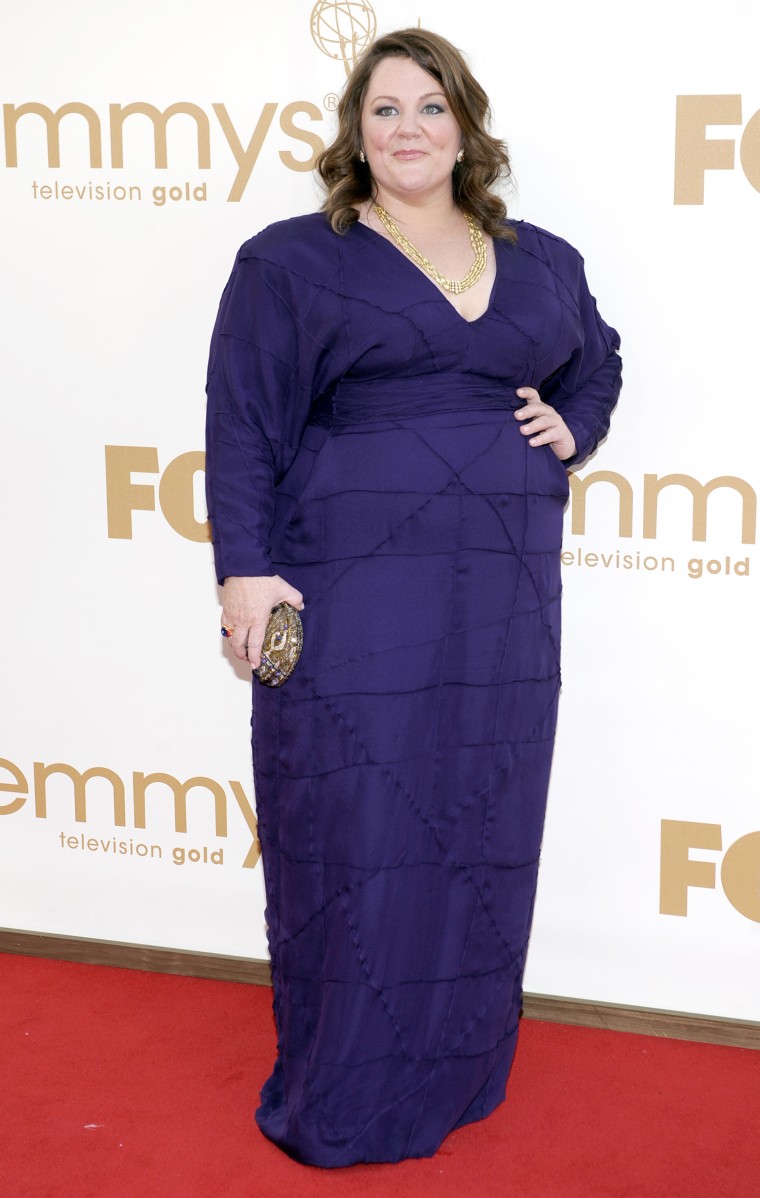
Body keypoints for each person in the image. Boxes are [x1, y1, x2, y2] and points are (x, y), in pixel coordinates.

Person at [205, 27, 621, 1168]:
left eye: (429, 107)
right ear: (354, 132)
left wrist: (574, 424)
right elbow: (242, 423)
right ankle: (343, 1082)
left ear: (465, 126)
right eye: (384, 109)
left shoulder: (540, 258)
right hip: (345, 580)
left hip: (502, 588)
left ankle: (458, 1064)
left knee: (479, 810)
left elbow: (598, 356)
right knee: (351, 818)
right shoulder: (291, 259)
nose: (407, 129)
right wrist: (244, 567)